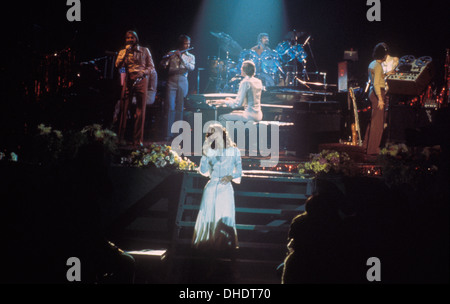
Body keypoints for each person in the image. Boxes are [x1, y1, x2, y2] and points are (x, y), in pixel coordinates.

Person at [192, 124, 242, 253]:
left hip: (225, 188)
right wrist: (204, 155)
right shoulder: (210, 151)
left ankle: (224, 246)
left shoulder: (234, 151)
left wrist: (231, 176)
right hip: (211, 187)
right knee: (209, 217)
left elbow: (239, 172)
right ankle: (207, 248)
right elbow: (203, 171)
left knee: (224, 217)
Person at [115, 30, 156, 146]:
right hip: (128, 79)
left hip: (141, 79)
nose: (129, 39)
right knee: (124, 108)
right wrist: (124, 54)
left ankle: (138, 140)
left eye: (132, 37)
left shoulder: (144, 50)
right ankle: (120, 139)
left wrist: (143, 72)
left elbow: (151, 67)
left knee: (140, 110)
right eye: (127, 38)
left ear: (136, 38)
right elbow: (118, 66)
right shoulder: (123, 51)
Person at [161, 34, 195, 141]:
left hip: (183, 80)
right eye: (185, 43)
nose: (187, 45)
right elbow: (164, 65)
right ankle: (168, 133)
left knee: (180, 107)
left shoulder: (191, 56)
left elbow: (191, 68)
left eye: (188, 44)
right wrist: (166, 59)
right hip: (171, 80)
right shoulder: (172, 53)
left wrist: (181, 57)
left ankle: (178, 133)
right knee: (170, 107)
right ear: (181, 44)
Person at [363, 42, 389, 155]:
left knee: (374, 122)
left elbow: (376, 79)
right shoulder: (378, 66)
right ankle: (373, 150)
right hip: (378, 94)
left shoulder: (372, 64)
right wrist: (381, 99)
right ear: (384, 55)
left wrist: (387, 74)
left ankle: (366, 146)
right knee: (377, 124)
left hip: (373, 93)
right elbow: (377, 84)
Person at [219, 60, 263, 126]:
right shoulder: (258, 81)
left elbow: (238, 104)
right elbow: (247, 101)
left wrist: (224, 102)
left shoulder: (245, 82)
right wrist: (231, 100)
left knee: (222, 117)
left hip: (250, 116)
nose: (240, 69)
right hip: (259, 115)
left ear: (244, 70)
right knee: (234, 113)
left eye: (241, 68)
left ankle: (230, 136)